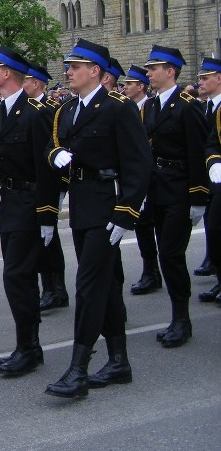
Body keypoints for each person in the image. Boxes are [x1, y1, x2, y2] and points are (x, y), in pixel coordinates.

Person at [44, 39, 151, 398]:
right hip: (82, 205)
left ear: (96, 72)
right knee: (103, 285)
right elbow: (54, 143)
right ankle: (119, 361)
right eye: (68, 66)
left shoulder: (118, 108)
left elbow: (138, 163)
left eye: (75, 66)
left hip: (108, 208)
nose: (69, 72)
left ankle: (78, 369)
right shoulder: (71, 108)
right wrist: (56, 152)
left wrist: (126, 213)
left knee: (89, 285)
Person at [0, 46, 59, 377]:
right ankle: (29, 345)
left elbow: (46, 168)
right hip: (10, 201)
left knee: (17, 276)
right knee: (15, 275)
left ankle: (28, 346)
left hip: (31, 200)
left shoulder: (36, 114)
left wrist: (48, 214)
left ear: (7, 73)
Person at [144, 45, 208, 348]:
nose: (148, 73)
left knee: (171, 254)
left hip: (181, 189)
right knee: (165, 253)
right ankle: (176, 316)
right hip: (158, 188)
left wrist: (198, 196)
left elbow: (198, 151)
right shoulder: (152, 105)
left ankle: (182, 318)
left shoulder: (187, 105)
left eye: (153, 68)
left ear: (170, 71)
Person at [23, 61, 70, 313]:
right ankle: (49, 287)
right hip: (33, 184)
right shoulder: (28, 108)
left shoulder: (51, 109)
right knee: (40, 237)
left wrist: (61, 186)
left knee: (48, 236)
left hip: (50, 182)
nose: (23, 84)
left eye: (27, 80)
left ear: (37, 83)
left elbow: (56, 148)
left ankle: (56, 288)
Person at [122, 65, 162, 295]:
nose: (125, 87)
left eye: (129, 84)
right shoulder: (127, 108)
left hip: (157, 176)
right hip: (139, 177)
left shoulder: (151, 106)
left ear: (141, 86)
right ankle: (150, 271)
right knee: (143, 227)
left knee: (159, 229)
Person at [197, 57, 221, 303]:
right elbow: (209, 141)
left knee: (215, 227)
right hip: (212, 178)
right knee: (213, 229)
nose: (200, 82)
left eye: (205, 77)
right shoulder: (205, 107)